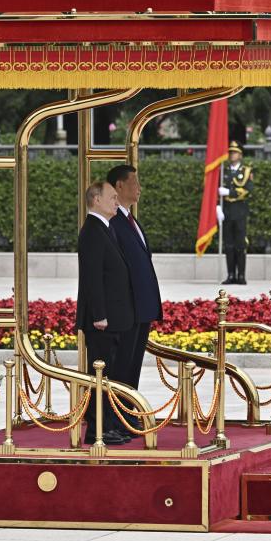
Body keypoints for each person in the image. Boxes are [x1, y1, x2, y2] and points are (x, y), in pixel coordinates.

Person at [76, 181, 137, 446]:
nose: (116, 201)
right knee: (100, 375)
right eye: (112, 197)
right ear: (96, 200)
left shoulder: (105, 228)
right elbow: (92, 278)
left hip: (114, 318)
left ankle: (110, 425)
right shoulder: (92, 231)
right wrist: (99, 314)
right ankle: (97, 429)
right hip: (102, 321)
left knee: (109, 374)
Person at [107, 164, 162, 426]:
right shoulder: (112, 221)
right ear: (119, 186)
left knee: (133, 365)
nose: (138, 188)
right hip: (126, 308)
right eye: (134, 183)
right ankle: (118, 418)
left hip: (140, 307)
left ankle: (128, 413)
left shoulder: (129, 218)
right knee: (121, 367)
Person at [219, 140, 253, 284]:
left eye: (234, 152)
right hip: (226, 211)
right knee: (228, 244)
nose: (232, 155)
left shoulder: (246, 171)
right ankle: (231, 275)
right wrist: (217, 207)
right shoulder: (223, 171)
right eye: (230, 152)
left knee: (240, 244)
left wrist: (229, 192)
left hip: (239, 211)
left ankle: (241, 275)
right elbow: (215, 191)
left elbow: (248, 190)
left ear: (240, 155)